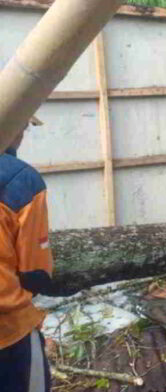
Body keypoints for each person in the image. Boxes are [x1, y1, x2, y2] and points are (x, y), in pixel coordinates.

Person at [0, 115, 53, 392]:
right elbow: (35, 274)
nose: (22, 135)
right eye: (22, 126)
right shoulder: (21, 179)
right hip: (7, 334)